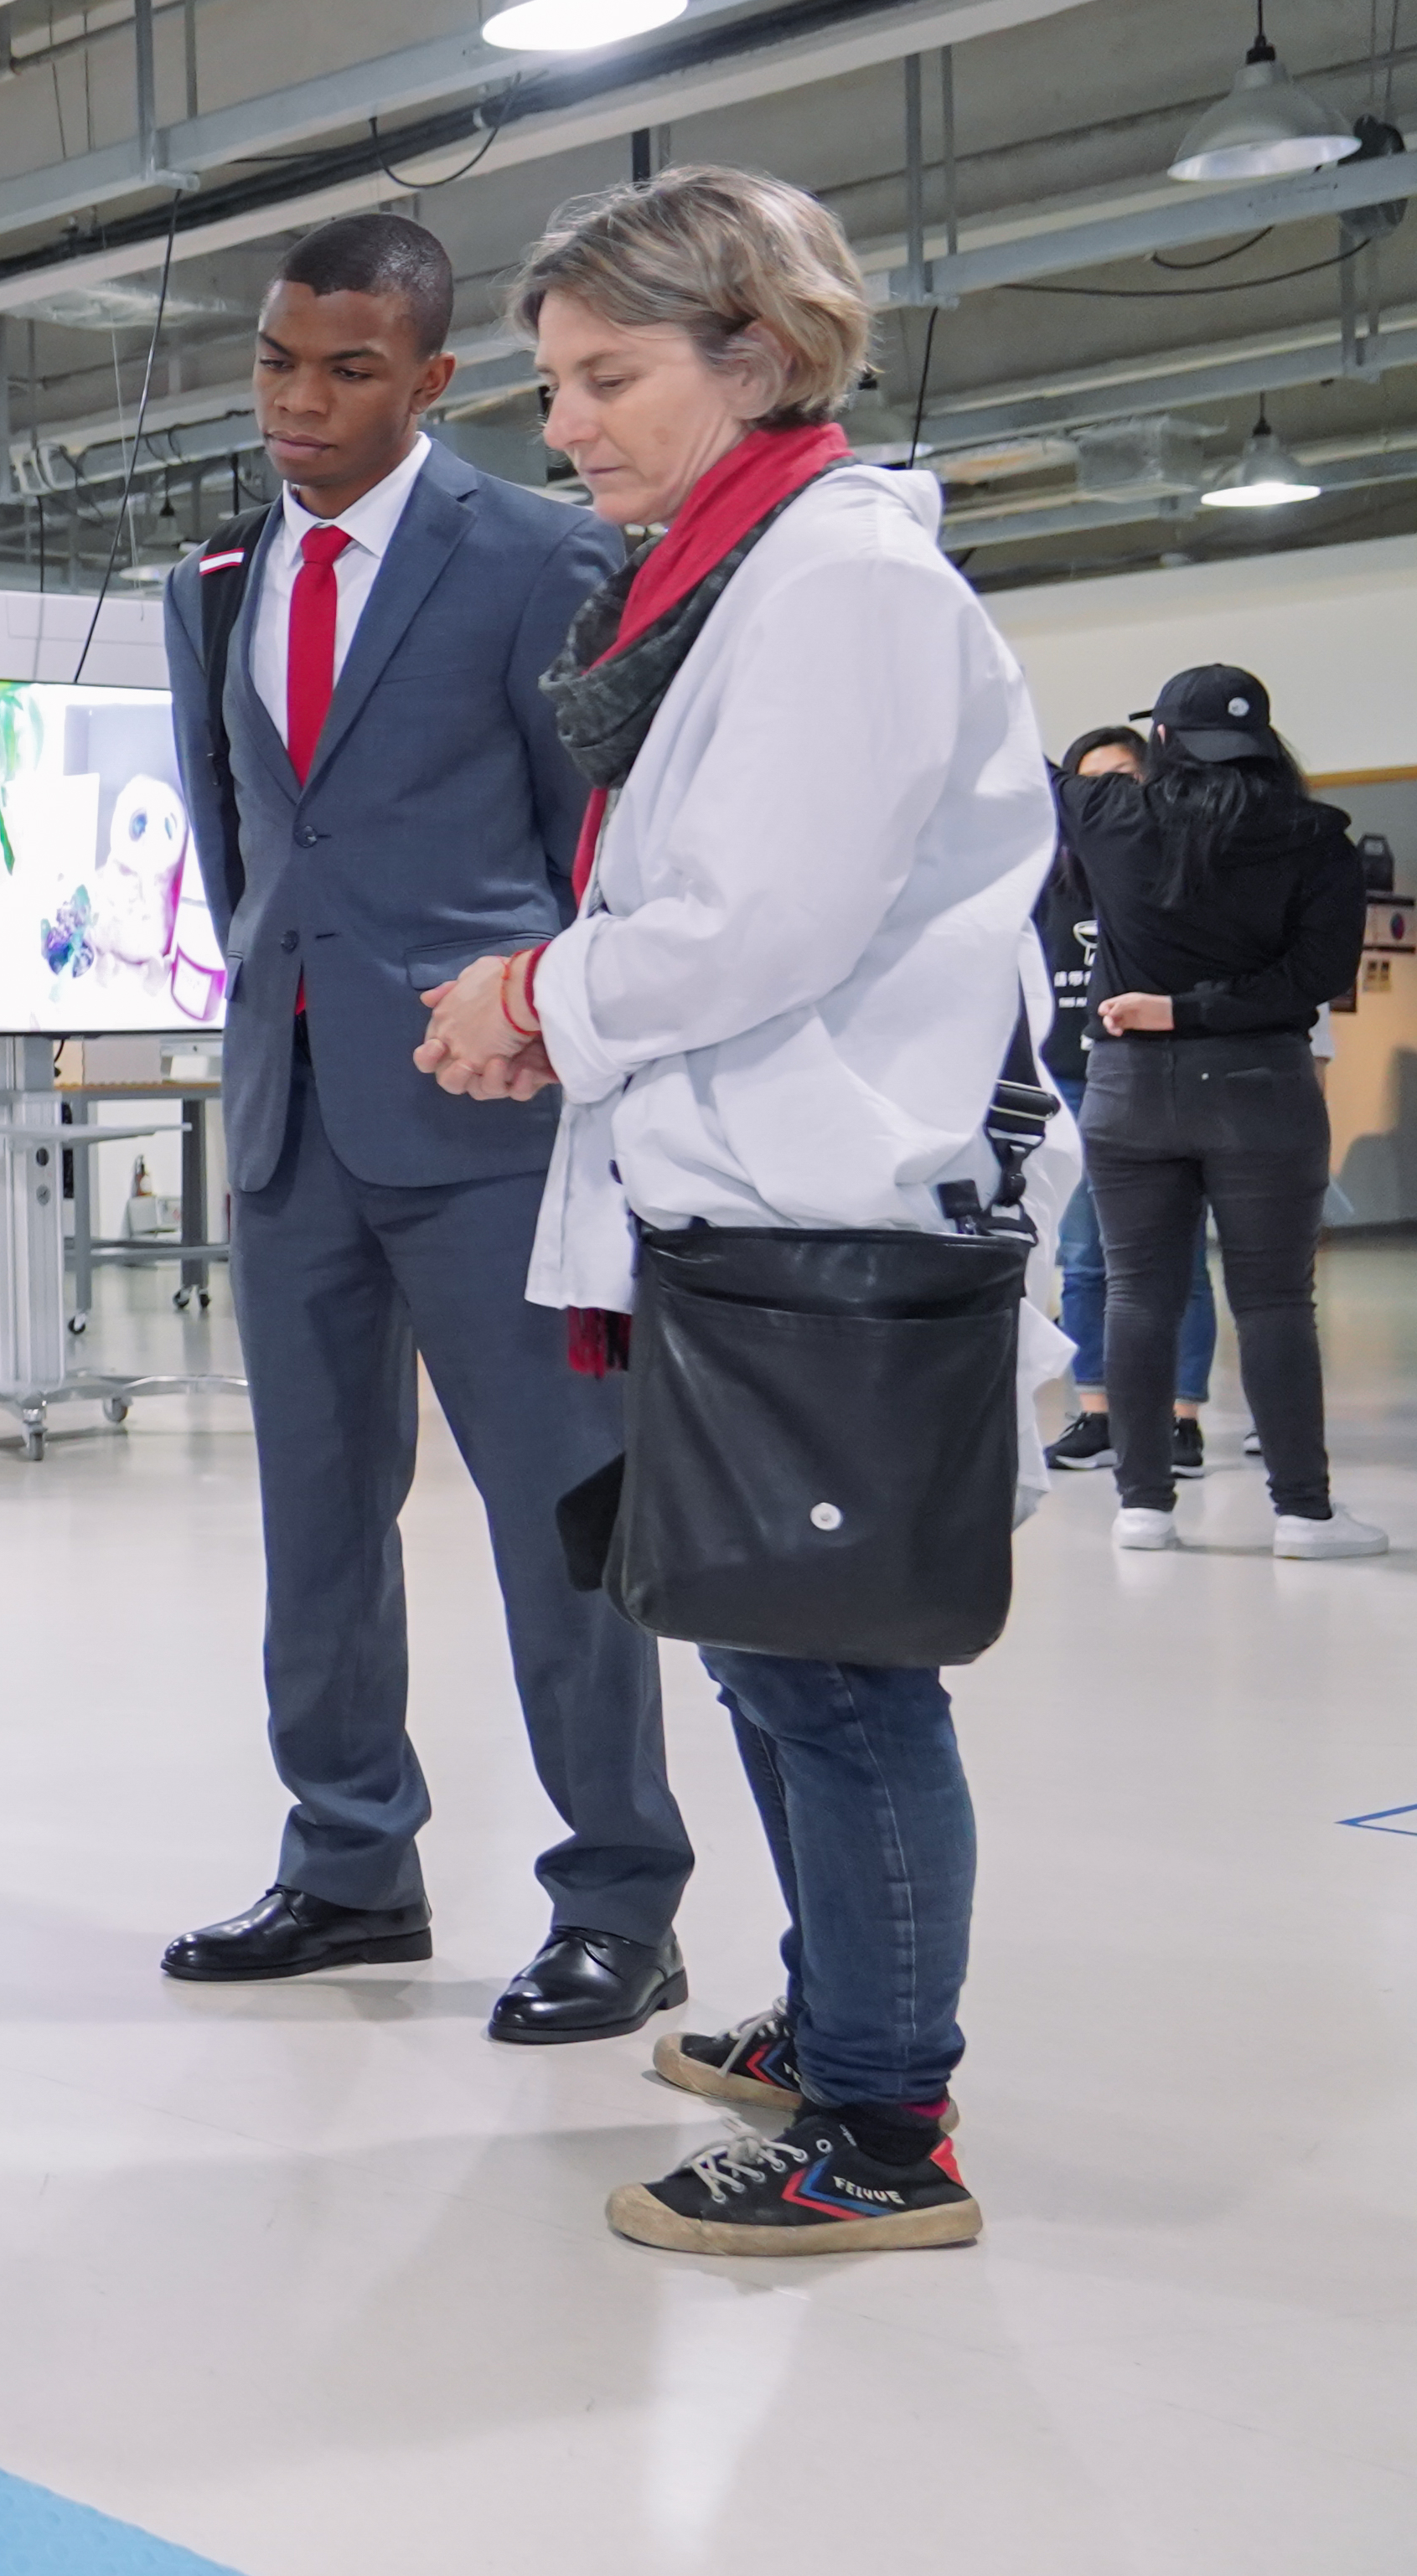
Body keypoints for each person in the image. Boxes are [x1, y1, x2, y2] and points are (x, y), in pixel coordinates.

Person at [421, 164, 1045, 2257]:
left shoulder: (838, 580)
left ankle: (885, 2129)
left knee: (839, 1676)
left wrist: (532, 995)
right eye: (552, 386)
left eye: (609, 376)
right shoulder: (727, 575)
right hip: (745, 1204)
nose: (569, 423)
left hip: (827, 1212)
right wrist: (572, 1009)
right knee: (771, 1655)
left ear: (756, 354)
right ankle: (842, 2021)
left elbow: (753, 922)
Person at [151, 212, 686, 2045]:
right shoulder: (214, 577)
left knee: (562, 1519)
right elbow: (247, 837)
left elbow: (592, 852)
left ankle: (622, 1892)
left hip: (488, 1112)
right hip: (290, 1111)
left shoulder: (543, 558)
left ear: (437, 378)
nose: (300, 401)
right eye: (279, 360)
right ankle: (350, 1860)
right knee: (319, 1512)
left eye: (349, 368)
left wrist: (540, 1028)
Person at [1064, 663, 1378, 1556]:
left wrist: (1163, 1011)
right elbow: (1316, 980)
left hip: (1129, 1091)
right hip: (1260, 1089)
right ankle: (1303, 1515)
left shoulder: (1106, 816)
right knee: (1276, 1302)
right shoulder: (1318, 839)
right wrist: (1199, 1010)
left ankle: (1143, 1507)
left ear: (1160, 742)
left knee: (1137, 1296)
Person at [1038, 723, 1215, 1477]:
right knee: (1082, 1258)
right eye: (1090, 783)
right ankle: (1098, 1413)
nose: (1106, 797)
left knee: (1178, 1258)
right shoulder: (1046, 880)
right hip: (1073, 1084)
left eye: (1121, 779)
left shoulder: (1178, 874)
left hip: (1158, 1072)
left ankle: (1181, 1421)